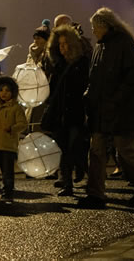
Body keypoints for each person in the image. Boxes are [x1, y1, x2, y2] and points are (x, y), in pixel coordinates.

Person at [80, 7, 134, 209]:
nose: (93, 31)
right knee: (96, 150)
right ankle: (95, 193)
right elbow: (94, 78)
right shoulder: (100, 47)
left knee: (124, 150)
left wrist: (115, 99)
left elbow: (133, 77)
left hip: (121, 109)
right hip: (101, 109)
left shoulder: (123, 45)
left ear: (105, 26)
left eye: (95, 27)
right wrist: (89, 96)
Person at [42, 24, 89, 197]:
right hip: (60, 114)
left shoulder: (82, 63)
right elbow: (53, 92)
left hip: (76, 112)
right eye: (59, 44)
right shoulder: (58, 65)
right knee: (63, 149)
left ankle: (90, 177)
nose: (62, 48)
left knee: (75, 147)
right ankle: (67, 183)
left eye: (65, 44)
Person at [0, 76, 27, 204]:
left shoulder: (16, 108)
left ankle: (8, 192)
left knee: (7, 172)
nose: (4, 93)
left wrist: (12, 128)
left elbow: (22, 124)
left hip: (8, 145)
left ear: (13, 92)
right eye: (1, 90)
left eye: (7, 91)